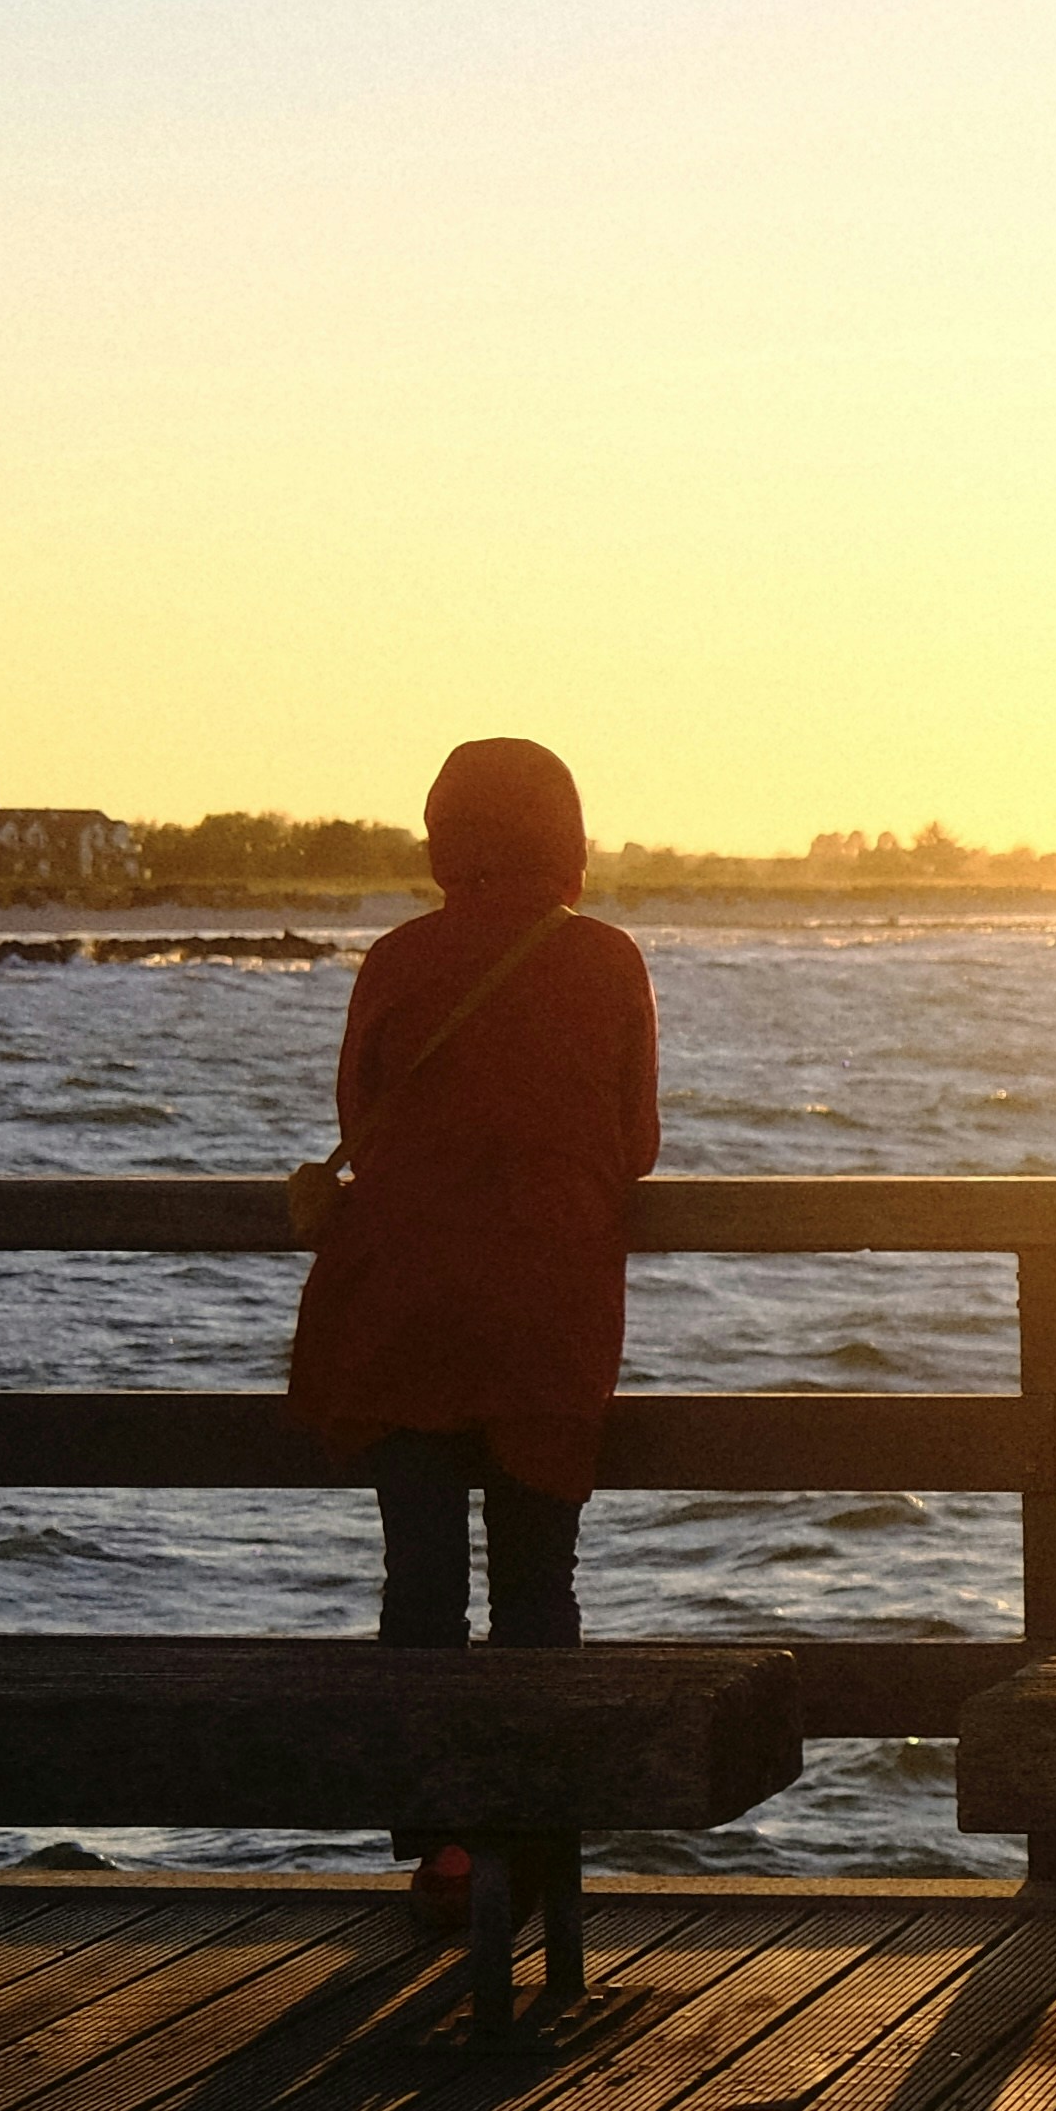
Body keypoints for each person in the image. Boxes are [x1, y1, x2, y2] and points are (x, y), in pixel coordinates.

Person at [288, 739, 659, 1918]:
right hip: (544, 1315)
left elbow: (361, 1110)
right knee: (538, 1590)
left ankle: (444, 1852)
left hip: (405, 1313)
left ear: (444, 835)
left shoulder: (398, 958)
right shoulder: (605, 962)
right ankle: (541, 1845)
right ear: (567, 833)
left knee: (421, 1587)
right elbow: (634, 1144)